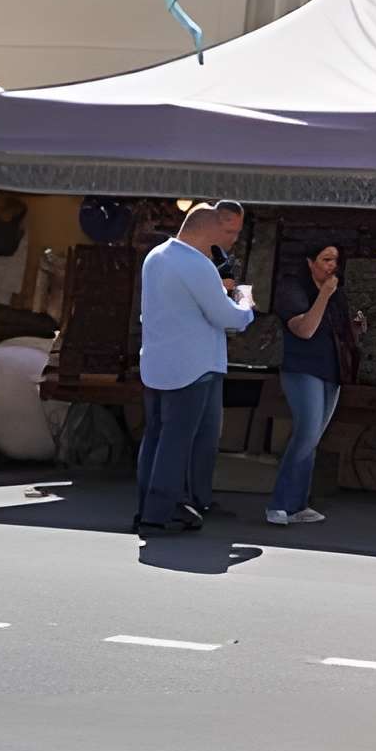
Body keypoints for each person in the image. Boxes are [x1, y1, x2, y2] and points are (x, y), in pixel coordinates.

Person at [132, 201, 250, 534]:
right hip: (193, 366)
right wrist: (245, 301)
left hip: (157, 362)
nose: (226, 240)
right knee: (178, 441)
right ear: (208, 230)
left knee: (156, 437)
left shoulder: (156, 256)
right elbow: (227, 317)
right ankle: (159, 514)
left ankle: (150, 508)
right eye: (223, 231)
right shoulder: (196, 264)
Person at [266, 241, 352, 526]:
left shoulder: (337, 293)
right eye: (326, 259)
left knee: (313, 437)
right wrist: (324, 295)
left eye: (335, 260)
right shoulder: (293, 289)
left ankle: (298, 504)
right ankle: (279, 504)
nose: (332, 266)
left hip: (331, 371)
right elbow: (305, 330)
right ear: (309, 262)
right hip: (302, 369)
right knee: (305, 434)